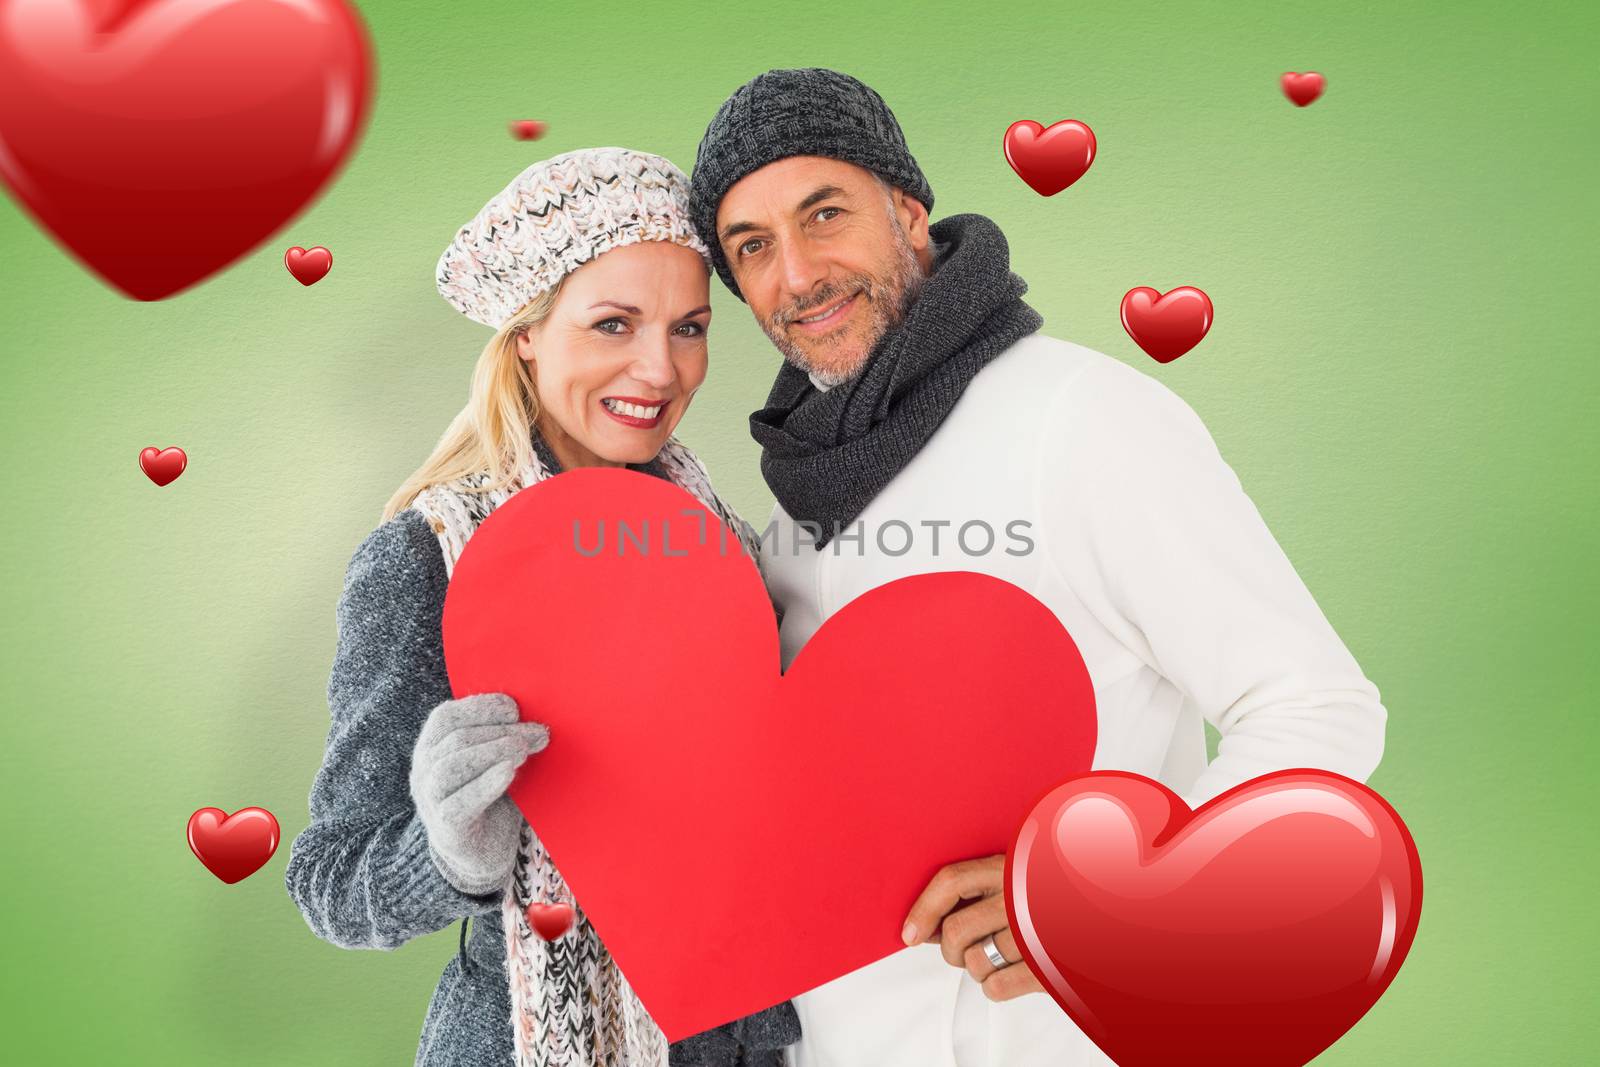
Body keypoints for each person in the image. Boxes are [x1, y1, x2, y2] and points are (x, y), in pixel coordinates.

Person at [687, 69, 1389, 1067]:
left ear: (910, 215)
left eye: (825, 214)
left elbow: (1317, 707)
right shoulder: (796, 497)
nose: (796, 275)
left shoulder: (1085, 421)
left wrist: (1106, 901)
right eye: (751, 247)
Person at [283, 147, 800, 1067]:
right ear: (527, 332)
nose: (661, 368)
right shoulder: (427, 559)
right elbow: (330, 882)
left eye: (689, 327)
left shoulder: (721, 541)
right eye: (613, 324)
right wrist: (450, 851)